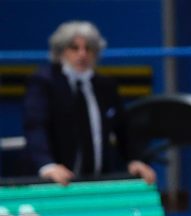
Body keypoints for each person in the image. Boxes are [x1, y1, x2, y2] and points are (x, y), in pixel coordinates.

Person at [22, 20, 155, 186]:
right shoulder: (44, 83)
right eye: (74, 48)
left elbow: (123, 129)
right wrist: (47, 165)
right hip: (54, 182)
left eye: (88, 48)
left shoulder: (105, 86)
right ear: (61, 51)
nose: (82, 54)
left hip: (97, 181)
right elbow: (35, 127)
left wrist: (135, 160)